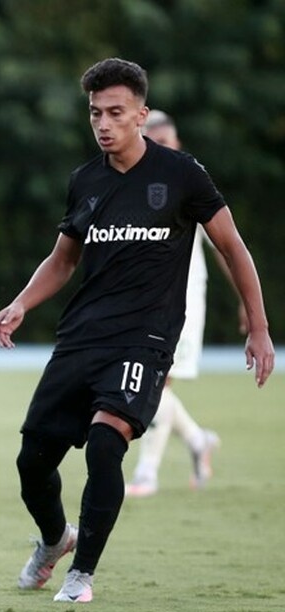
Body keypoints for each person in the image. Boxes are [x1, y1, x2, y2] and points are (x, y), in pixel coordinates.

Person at [0, 57, 274, 603]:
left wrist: (257, 326)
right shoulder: (85, 181)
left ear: (141, 114)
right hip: (81, 336)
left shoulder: (182, 174)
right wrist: (21, 303)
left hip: (145, 338)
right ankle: (55, 541)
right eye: (95, 112)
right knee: (32, 462)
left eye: (115, 112)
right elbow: (63, 259)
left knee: (104, 445)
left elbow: (232, 246)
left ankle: (81, 576)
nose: (103, 123)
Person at [124, 109, 245, 497]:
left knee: (156, 384)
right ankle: (197, 440)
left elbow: (227, 247)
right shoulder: (132, 180)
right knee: (150, 383)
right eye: (153, 142)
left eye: (166, 143)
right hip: (142, 301)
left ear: (176, 143)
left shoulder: (189, 180)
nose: (160, 149)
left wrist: (246, 299)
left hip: (184, 300)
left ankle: (147, 473)